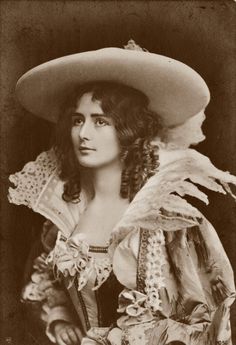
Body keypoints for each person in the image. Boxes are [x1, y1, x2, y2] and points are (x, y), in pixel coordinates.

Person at [8, 40, 236, 345]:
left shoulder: (171, 222)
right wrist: (60, 319)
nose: (83, 134)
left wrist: (133, 336)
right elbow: (45, 286)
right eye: (78, 120)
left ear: (130, 131)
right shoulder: (64, 215)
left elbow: (207, 323)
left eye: (100, 121)